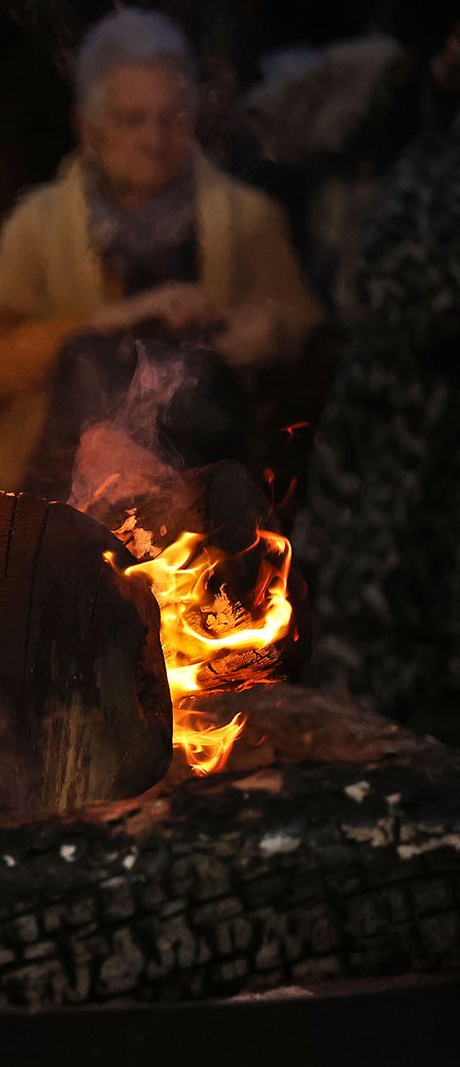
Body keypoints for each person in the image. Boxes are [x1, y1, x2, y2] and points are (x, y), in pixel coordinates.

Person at [0, 8, 323, 493]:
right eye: (130, 120)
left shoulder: (247, 218)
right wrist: (99, 324)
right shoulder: (40, 225)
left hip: (206, 491)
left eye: (171, 118)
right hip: (58, 490)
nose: (153, 140)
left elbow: (312, 341)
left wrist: (274, 329)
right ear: (87, 126)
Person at [299, 16, 460, 732]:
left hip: (425, 501)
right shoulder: (429, 142)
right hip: (376, 485)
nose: (451, 50)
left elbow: (404, 290)